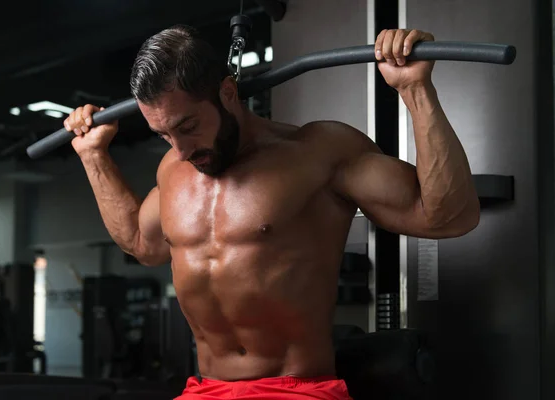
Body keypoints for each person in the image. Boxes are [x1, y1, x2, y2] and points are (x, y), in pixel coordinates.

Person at [64, 25, 480, 400]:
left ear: (228, 93)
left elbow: (448, 217)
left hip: (296, 391)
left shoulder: (318, 152)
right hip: (205, 391)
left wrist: (415, 91)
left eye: (188, 126)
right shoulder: (173, 169)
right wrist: (94, 157)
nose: (180, 149)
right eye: (163, 135)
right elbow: (142, 244)